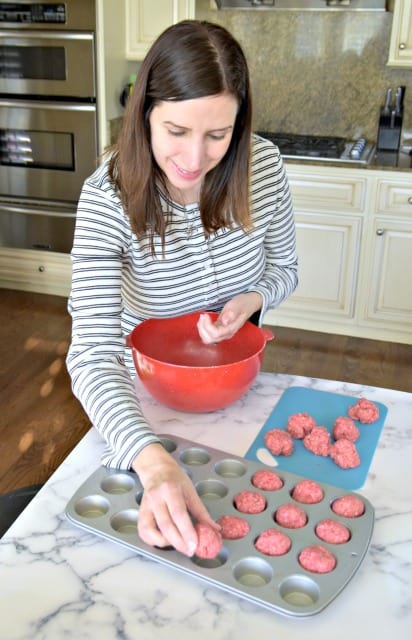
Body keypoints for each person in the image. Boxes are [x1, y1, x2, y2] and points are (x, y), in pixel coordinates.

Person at [66, 20, 298, 557]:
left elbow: (286, 267)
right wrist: (151, 459)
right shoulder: (108, 196)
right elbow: (93, 354)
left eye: (218, 135)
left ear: (239, 126)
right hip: (144, 395)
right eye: (176, 131)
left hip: (239, 384)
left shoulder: (262, 166)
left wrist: (254, 299)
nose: (195, 161)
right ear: (144, 110)